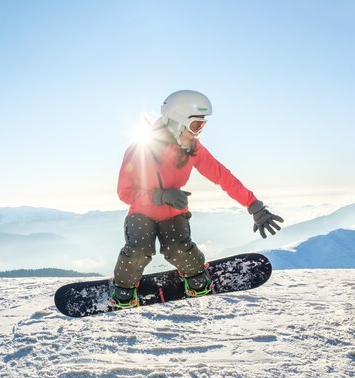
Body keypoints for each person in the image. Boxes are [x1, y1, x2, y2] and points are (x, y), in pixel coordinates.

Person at [111, 90, 283, 308]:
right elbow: (124, 192)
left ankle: (195, 276)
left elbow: (223, 176)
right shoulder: (140, 149)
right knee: (138, 250)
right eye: (195, 126)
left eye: (202, 127)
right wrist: (160, 196)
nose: (197, 134)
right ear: (176, 122)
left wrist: (254, 205)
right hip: (141, 212)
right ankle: (123, 289)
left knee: (179, 248)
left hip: (174, 212)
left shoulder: (193, 150)